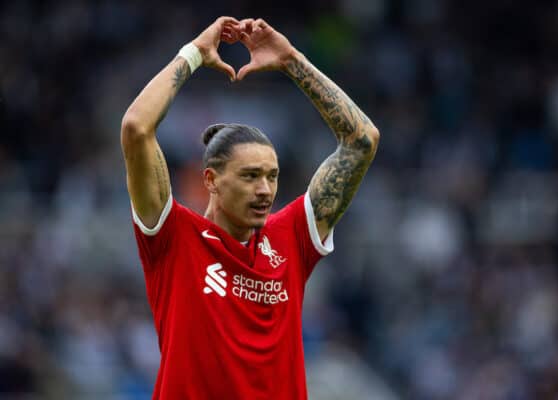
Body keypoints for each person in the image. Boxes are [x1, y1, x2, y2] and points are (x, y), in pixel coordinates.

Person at [120, 16, 379, 399]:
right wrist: (193, 55)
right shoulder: (173, 236)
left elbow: (361, 140)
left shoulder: (291, 236)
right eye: (250, 176)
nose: (265, 190)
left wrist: (291, 60)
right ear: (210, 181)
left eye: (272, 176)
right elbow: (137, 127)